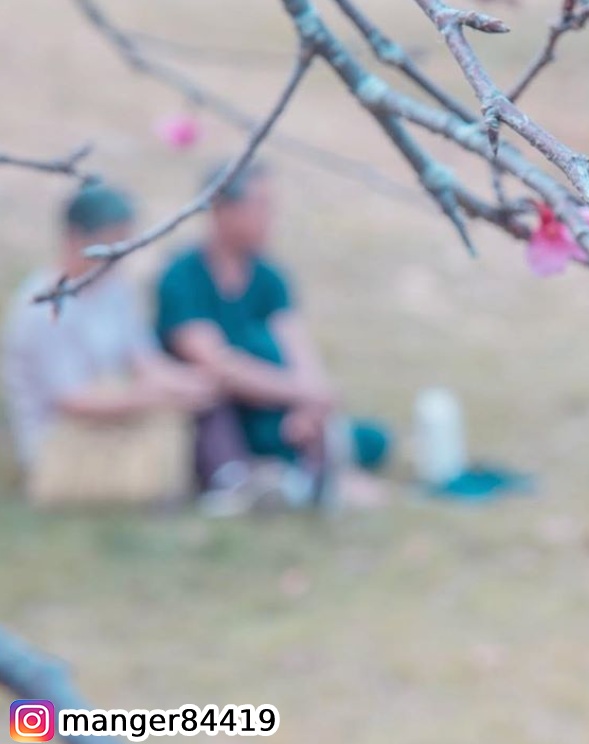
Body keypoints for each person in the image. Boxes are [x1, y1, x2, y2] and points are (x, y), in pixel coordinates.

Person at [155, 163, 390, 510]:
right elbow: (218, 364)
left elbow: (297, 346)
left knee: (374, 439)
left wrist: (312, 404)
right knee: (216, 387)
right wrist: (300, 391)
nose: (270, 216)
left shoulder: (269, 277)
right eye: (260, 205)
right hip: (222, 412)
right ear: (223, 211)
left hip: (274, 406)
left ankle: (298, 472)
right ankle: (253, 477)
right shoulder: (181, 277)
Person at [2, 183, 216, 505]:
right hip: (63, 435)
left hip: (116, 409)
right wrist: (149, 397)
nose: (118, 255)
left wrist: (191, 383)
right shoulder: (44, 305)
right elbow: (70, 399)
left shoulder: (115, 291)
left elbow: (143, 358)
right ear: (76, 237)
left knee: (179, 417)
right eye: (110, 243)